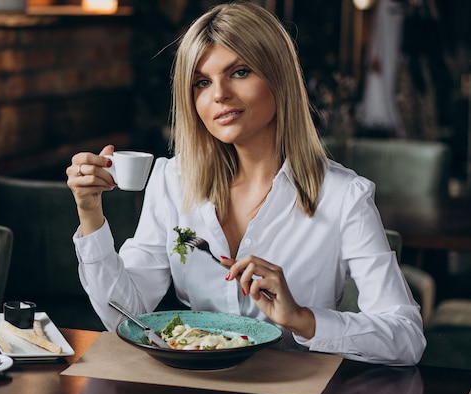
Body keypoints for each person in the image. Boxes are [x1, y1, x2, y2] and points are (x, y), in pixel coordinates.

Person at [66, 1, 425, 366]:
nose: (219, 94)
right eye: (202, 83)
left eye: (239, 72)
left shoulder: (345, 196)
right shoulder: (172, 180)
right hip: (192, 390)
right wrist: (90, 212)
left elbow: (407, 338)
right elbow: (124, 313)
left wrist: (303, 318)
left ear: (278, 76)